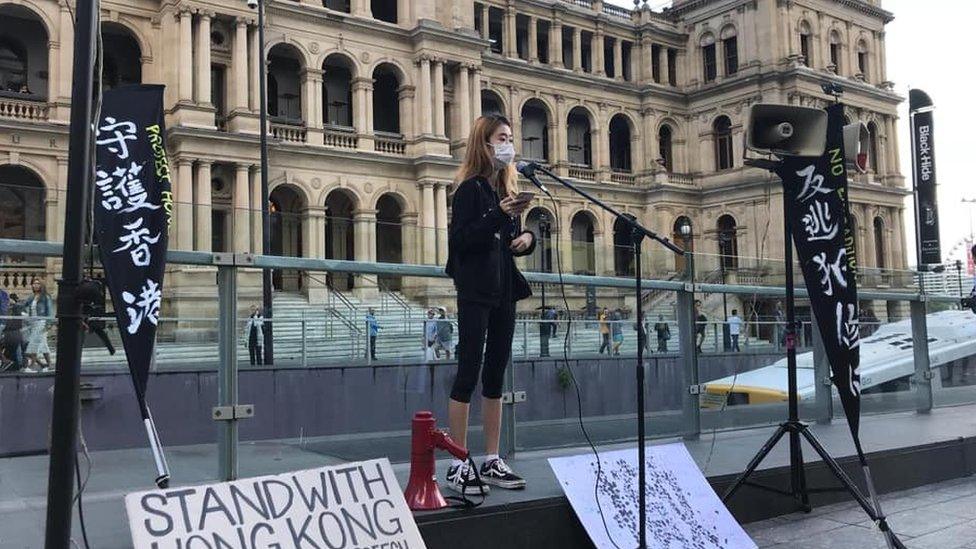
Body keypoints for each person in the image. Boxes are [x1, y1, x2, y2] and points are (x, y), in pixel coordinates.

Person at [444, 114, 535, 495]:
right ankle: (457, 460)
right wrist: (499, 214)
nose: (508, 144)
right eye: (502, 138)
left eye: (511, 138)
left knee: (496, 372)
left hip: (503, 289)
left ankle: (492, 457)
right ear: (484, 144)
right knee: (469, 370)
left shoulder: (503, 190)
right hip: (476, 288)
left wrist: (527, 238)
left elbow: (513, 235)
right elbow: (462, 241)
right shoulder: (470, 189)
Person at [23, 278, 54, 372]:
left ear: (42, 285)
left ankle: (32, 365)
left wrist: (49, 324)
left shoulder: (45, 297)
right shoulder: (32, 296)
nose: (35, 285)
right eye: (34, 283)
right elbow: (24, 305)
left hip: (42, 322)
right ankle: (49, 365)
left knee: (34, 343)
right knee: (43, 345)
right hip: (33, 323)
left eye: (37, 283)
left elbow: (49, 311)